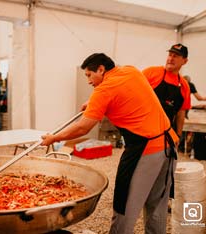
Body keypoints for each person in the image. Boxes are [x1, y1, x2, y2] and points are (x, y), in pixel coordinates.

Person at [41, 53, 178, 234]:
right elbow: (126, 92)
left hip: (146, 151)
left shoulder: (103, 90)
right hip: (170, 144)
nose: (89, 81)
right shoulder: (130, 70)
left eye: (89, 75)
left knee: (126, 204)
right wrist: (93, 102)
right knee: (157, 203)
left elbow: (83, 127)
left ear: (101, 69)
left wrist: (54, 137)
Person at [142, 43, 191, 139]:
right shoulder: (151, 73)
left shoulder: (184, 86)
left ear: (185, 61)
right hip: (143, 130)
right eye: (170, 55)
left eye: (175, 56)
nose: (170, 59)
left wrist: (178, 135)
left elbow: (181, 114)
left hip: (165, 134)